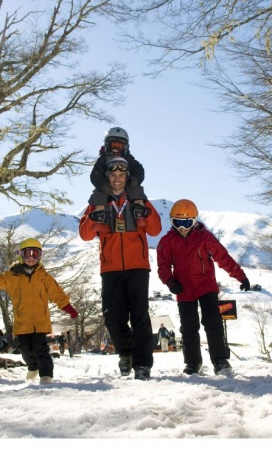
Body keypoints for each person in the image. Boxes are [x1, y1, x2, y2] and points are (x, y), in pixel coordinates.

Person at [79, 156, 162, 380]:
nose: (117, 179)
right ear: (108, 177)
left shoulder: (138, 199)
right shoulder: (99, 200)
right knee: (112, 317)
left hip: (138, 265)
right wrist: (92, 219)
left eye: (121, 175)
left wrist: (146, 212)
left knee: (140, 316)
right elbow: (85, 234)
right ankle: (126, 352)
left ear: (127, 177)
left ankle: (143, 364)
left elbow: (155, 230)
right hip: (111, 267)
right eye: (113, 175)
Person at [0, 238, 78, 385]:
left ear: (40, 256)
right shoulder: (12, 276)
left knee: (40, 349)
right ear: (20, 255)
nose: (31, 257)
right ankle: (33, 366)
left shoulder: (43, 276)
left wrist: (68, 308)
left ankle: (46, 376)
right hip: (22, 322)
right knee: (26, 351)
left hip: (40, 322)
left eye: (35, 254)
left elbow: (57, 293)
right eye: (27, 253)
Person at [156, 199, 251, 376]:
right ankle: (193, 363)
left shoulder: (204, 237)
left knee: (213, 323)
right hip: (183, 289)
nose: (182, 227)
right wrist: (170, 281)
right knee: (188, 328)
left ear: (194, 221)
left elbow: (223, 258)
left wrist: (241, 276)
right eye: (178, 222)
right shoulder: (167, 241)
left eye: (187, 223)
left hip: (206, 286)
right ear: (171, 221)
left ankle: (220, 361)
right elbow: (162, 266)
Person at [88, 127, 147, 212]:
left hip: (127, 183)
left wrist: (135, 180)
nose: (115, 150)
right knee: (98, 193)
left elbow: (139, 169)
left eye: (119, 147)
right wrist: (103, 185)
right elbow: (95, 175)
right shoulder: (103, 159)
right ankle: (99, 212)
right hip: (107, 185)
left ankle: (139, 208)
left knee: (136, 189)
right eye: (113, 146)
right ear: (107, 145)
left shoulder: (129, 158)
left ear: (125, 147)